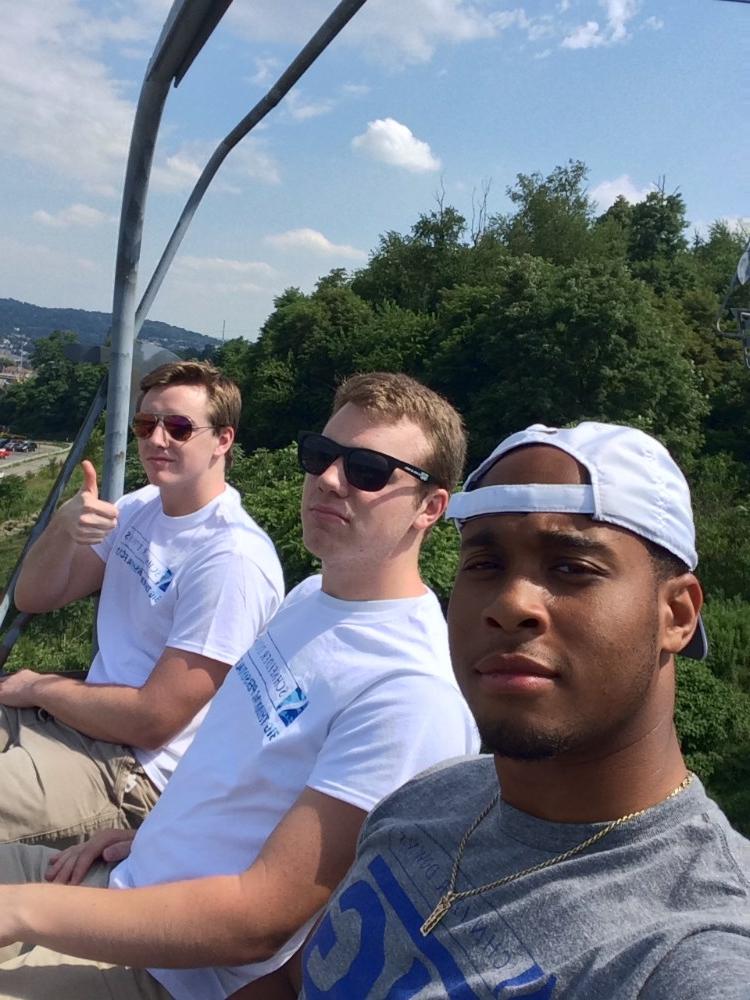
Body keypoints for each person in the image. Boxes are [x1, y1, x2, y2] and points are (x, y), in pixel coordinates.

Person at [0, 371, 478, 999]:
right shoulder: (313, 597)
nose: (330, 479)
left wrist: (22, 912)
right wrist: (152, 834)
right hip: (127, 880)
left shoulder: (410, 693)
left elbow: (260, 924)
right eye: (321, 456)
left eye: (368, 470)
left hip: (165, 970)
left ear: (431, 506)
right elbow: (242, 774)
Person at [299, 420, 750, 999]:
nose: (511, 605)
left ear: (677, 615)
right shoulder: (429, 798)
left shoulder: (692, 950)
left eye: (571, 568)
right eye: (485, 565)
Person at [0, 360, 284, 847]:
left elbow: (153, 721)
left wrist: (40, 687)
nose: (157, 440)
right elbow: (35, 596)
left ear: (223, 440)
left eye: (178, 428)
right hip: (80, 724)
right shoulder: (140, 508)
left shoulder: (230, 560)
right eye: (145, 424)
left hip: (132, 775)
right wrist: (64, 527)